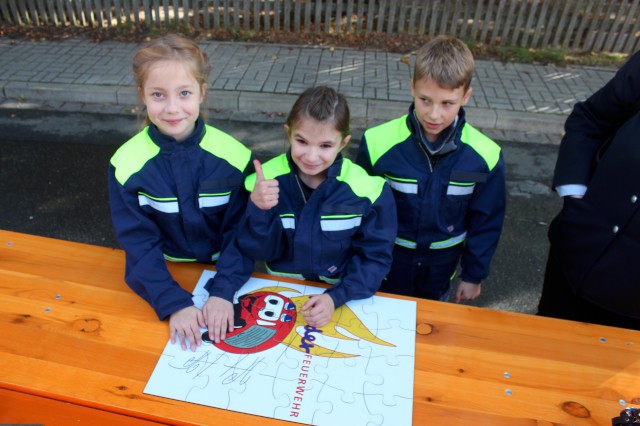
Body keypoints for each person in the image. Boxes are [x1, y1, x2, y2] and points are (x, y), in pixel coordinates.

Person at [108, 34, 254, 351]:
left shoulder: (234, 157)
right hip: (164, 274)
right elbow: (138, 242)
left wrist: (223, 291)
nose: (172, 108)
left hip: (226, 273)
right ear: (142, 96)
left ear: (201, 93)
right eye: (158, 95)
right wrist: (173, 302)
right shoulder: (126, 164)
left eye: (184, 93)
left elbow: (241, 233)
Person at [356, 35, 506, 303]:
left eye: (447, 103)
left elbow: (487, 220)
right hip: (388, 261)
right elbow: (361, 210)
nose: (434, 114)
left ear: (466, 96)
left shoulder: (486, 156)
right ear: (412, 87)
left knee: (431, 328)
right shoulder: (377, 143)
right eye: (425, 100)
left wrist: (473, 275)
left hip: (442, 266)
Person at [237, 86, 397, 327]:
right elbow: (256, 250)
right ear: (288, 133)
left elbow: (374, 259)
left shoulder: (368, 192)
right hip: (279, 296)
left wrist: (337, 297)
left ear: (343, 143)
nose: (312, 157)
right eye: (302, 141)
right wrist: (258, 209)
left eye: (325, 146)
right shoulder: (261, 182)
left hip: (344, 300)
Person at [537, 51, 640, 330]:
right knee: (542, 350)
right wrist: (574, 196)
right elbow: (591, 118)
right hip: (574, 254)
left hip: (630, 308)